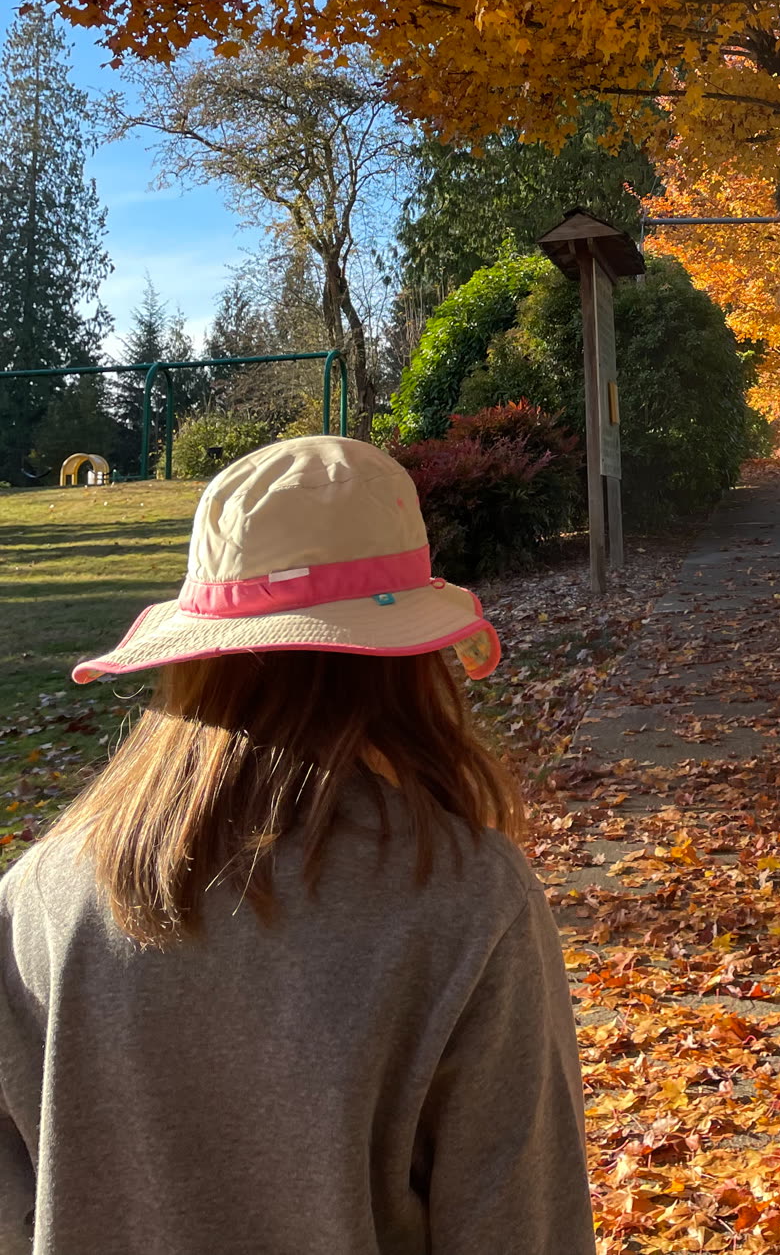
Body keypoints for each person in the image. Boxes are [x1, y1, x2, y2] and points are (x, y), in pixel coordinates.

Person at [0, 435, 596, 1255]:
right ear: (407, 661)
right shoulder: (468, 902)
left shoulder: (39, 899)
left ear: (194, 655)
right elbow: (524, 1228)